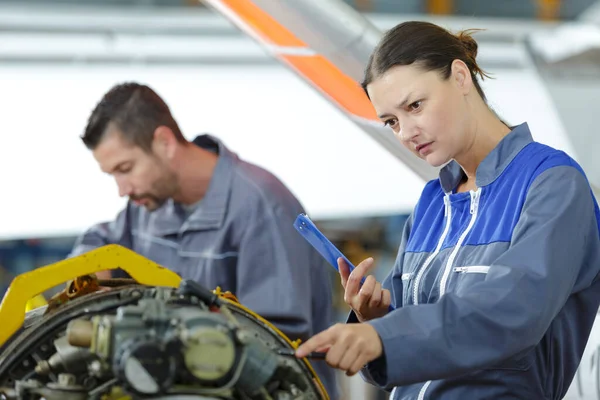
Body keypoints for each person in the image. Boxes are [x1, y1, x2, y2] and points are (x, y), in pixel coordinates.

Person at [295, 21, 600, 399]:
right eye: (391, 121)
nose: (406, 131)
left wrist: (384, 336)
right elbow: (412, 346)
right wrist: (375, 317)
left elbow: (510, 313)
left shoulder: (552, 183)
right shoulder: (431, 203)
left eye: (415, 106)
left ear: (459, 76)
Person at [69, 82, 338, 399]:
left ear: (164, 143)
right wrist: (88, 276)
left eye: (125, 169)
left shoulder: (263, 207)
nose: (122, 189)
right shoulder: (149, 205)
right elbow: (101, 241)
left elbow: (275, 342)